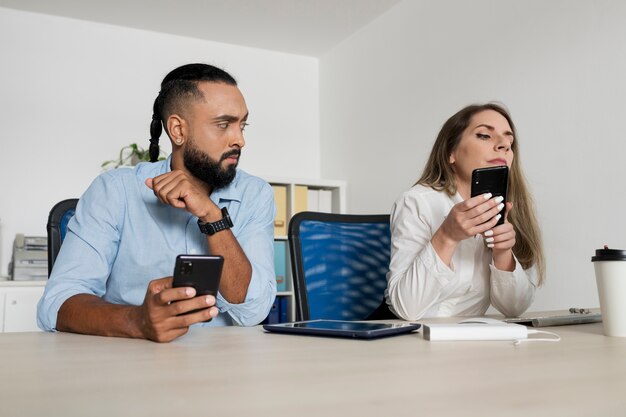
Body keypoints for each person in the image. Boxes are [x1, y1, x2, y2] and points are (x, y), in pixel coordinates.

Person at [37, 63, 277, 342]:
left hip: (219, 367)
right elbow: (56, 305)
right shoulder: (115, 191)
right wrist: (136, 321)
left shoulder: (255, 194)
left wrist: (213, 217)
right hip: (127, 364)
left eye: (242, 124)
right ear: (177, 130)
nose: (240, 139)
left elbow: (253, 312)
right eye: (224, 124)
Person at [384, 103, 545, 321]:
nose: (504, 145)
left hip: (468, 341)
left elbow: (514, 309)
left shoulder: (506, 208)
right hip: (410, 340)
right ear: (451, 152)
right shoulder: (417, 202)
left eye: (509, 142)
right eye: (485, 135)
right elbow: (407, 309)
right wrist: (447, 236)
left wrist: (502, 254)